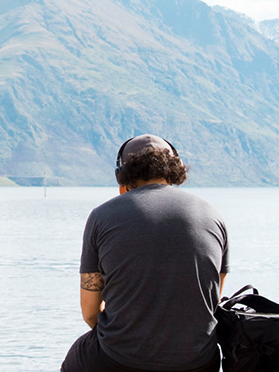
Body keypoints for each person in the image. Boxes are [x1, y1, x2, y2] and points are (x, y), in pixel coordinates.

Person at [62, 134, 229, 372]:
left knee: (77, 357)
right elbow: (210, 301)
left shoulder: (102, 216)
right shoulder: (213, 216)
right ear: (176, 168)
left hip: (120, 359)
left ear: (122, 175)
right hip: (199, 361)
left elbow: (90, 313)